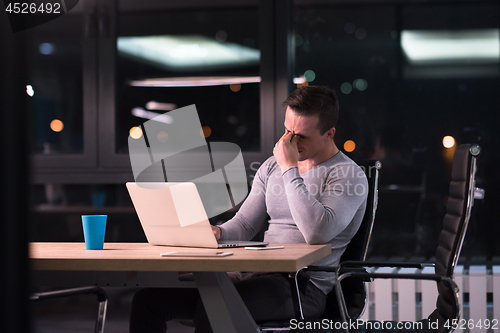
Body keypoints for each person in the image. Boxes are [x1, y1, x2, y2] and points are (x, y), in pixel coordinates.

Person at [129, 85, 368, 333]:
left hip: (300, 287)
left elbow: (317, 233)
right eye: (287, 131)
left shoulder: (348, 175)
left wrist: (289, 169)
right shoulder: (270, 167)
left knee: (216, 308)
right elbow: (245, 223)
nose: (290, 142)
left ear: (330, 134)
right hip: (253, 274)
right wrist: (218, 232)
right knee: (149, 301)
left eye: (302, 136)